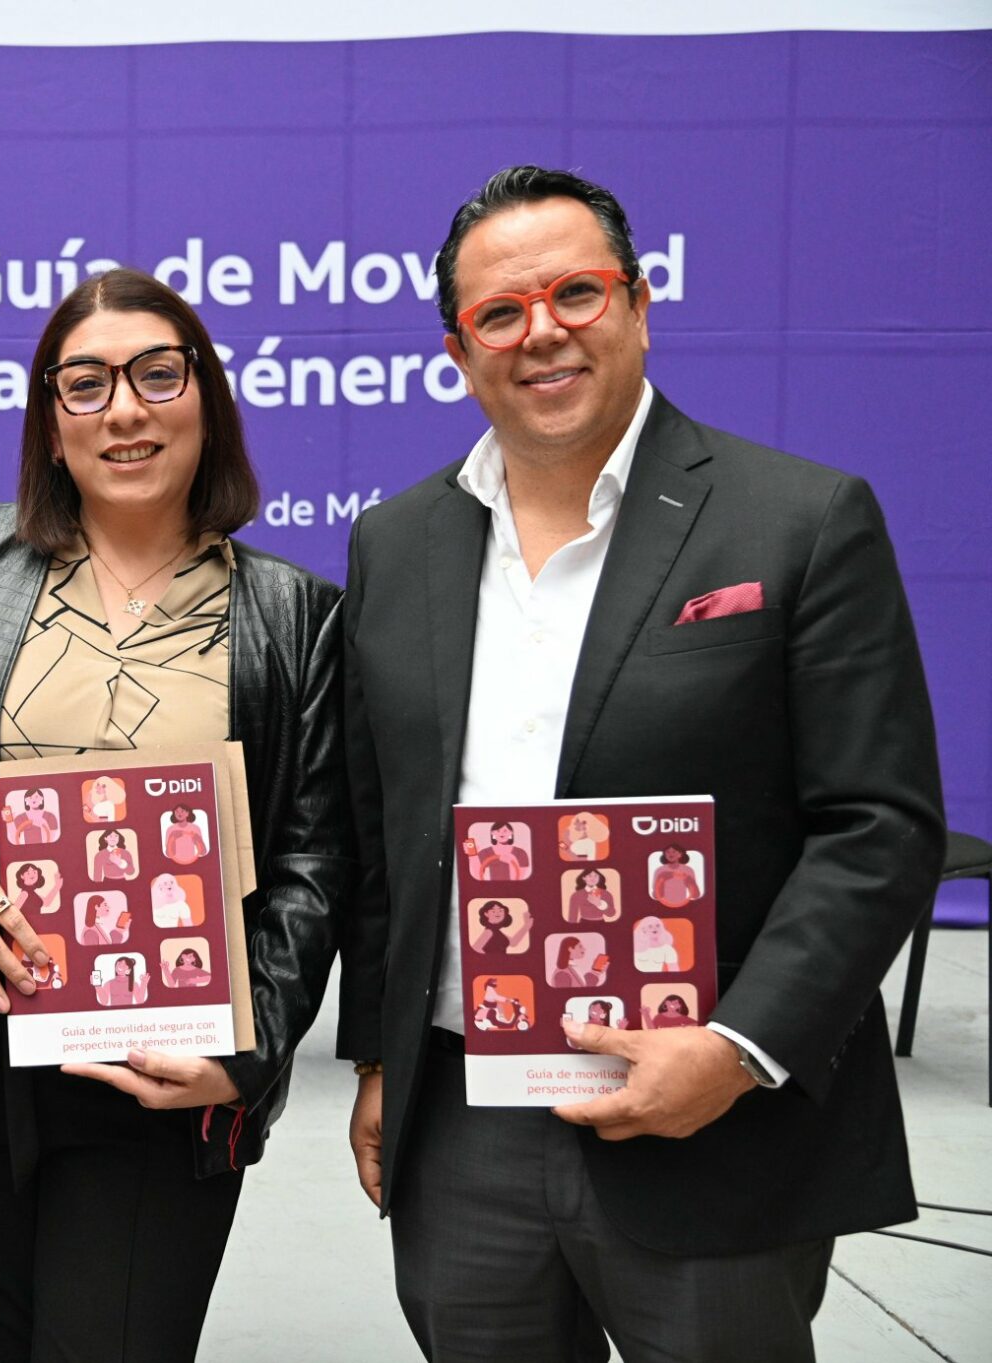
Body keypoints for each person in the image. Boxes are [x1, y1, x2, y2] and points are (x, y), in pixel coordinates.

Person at [339, 166, 944, 1361]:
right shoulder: (393, 543)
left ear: (636, 303)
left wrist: (737, 1050)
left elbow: (876, 825)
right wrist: (375, 1054)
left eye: (575, 293)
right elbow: (380, 830)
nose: (541, 331)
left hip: (712, 1115)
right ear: (457, 351)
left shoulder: (797, 519)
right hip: (461, 1120)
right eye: (498, 313)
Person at [0, 268, 350, 1361]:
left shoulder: (297, 616)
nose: (123, 410)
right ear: (51, 422)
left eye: (156, 375)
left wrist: (250, 1053)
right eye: (84, 384)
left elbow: (313, 865)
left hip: (164, 1075)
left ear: (206, 399)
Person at [652, 843, 703, 908]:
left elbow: (695, 895)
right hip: (662, 906)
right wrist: (662, 880)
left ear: (680, 854)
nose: (670, 854)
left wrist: (690, 881)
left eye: (674, 851)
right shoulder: (660, 870)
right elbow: (656, 896)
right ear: (665, 855)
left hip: (683, 905)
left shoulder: (688, 870)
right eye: (667, 852)